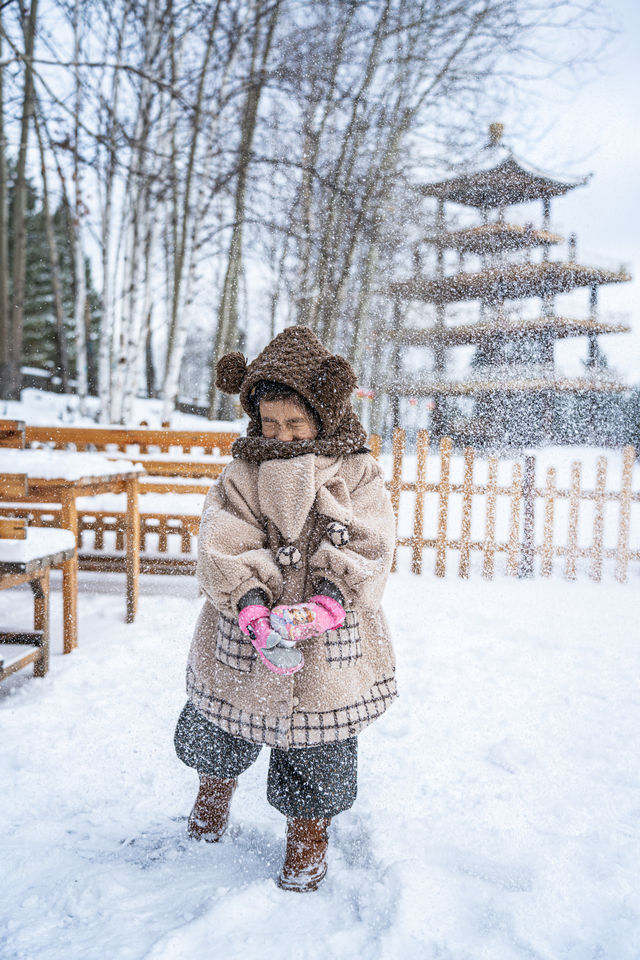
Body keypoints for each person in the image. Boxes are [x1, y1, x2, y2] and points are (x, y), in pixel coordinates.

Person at [174, 325, 397, 892]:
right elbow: (224, 535)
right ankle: (210, 806)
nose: (281, 435)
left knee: (319, 750)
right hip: (245, 632)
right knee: (219, 728)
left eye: (295, 424)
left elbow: (371, 540)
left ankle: (307, 843)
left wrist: (328, 601)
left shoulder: (356, 471)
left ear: (324, 414)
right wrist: (249, 602)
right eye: (269, 424)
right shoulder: (242, 472)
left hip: (328, 636)